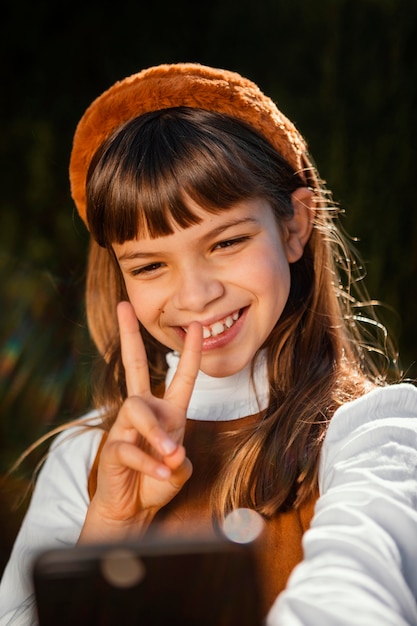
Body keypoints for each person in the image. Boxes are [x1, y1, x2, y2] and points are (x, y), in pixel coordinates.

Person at [1, 62, 416, 625]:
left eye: (226, 242)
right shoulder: (83, 460)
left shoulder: (374, 437)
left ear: (294, 226)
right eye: (149, 265)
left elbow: (352, 605)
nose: (195, 296)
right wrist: (111, 528)